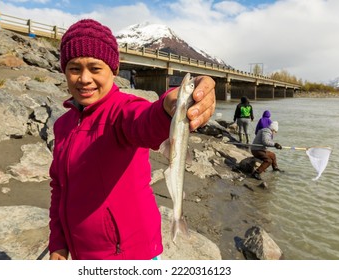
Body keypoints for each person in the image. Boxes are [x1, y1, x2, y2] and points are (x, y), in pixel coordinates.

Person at [48, 19, 216, 260]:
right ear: (64, 70)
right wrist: (58, 244)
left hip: (130, 254)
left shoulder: (123, 111)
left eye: (95, 68)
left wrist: (170, 105)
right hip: (82, 253)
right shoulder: (62, 124)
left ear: (113, 70)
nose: (84, 79)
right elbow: (58, 186)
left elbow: (147, 122)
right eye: (75, 68)